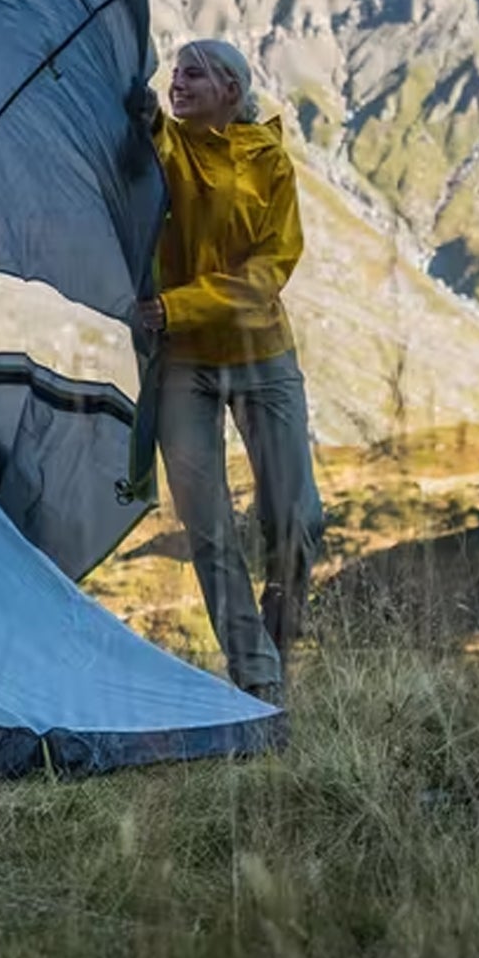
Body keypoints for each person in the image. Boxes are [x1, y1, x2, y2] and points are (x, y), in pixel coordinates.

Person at [132, 39, 323, 705]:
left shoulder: (268, 158)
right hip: (184, 366)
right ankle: (258, 681)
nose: (178, 82)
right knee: (209, 530)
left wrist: (176, 305)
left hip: (260, 354)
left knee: (298, 520)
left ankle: (276, 640)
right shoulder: (165, 143)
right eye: (176, 71)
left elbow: (272, 268)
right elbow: (139, 124)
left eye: (194, 73)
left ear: (231, 89)